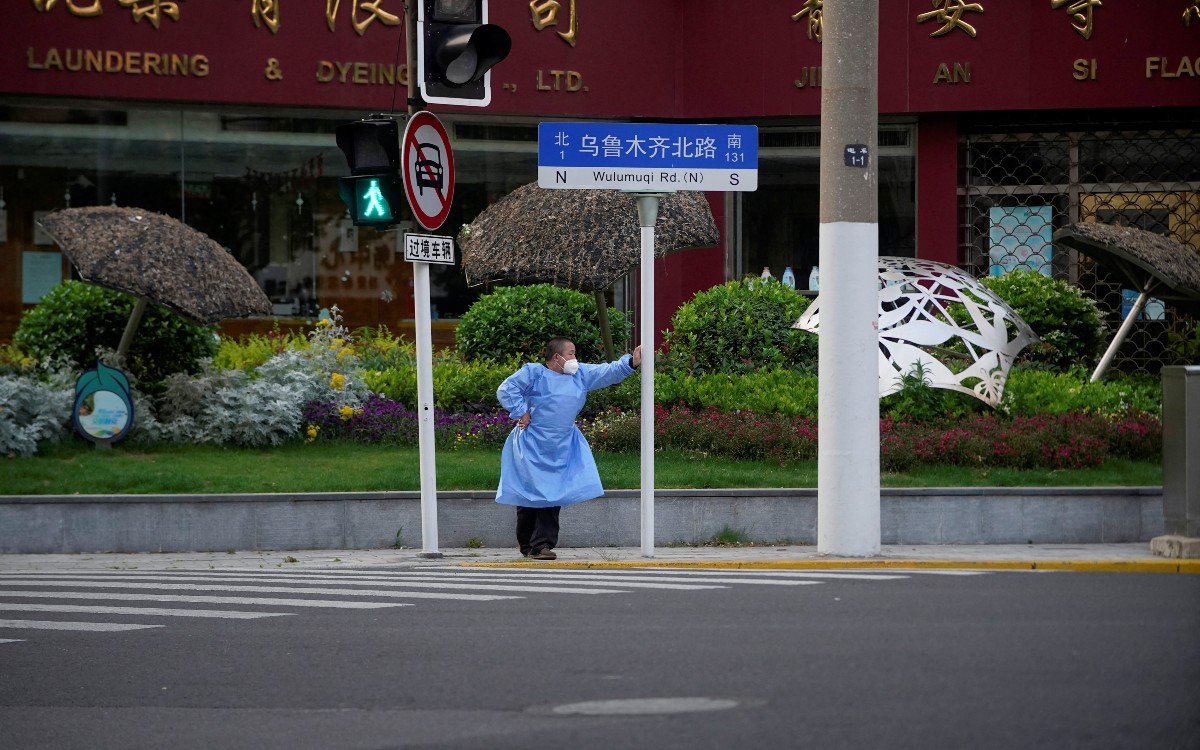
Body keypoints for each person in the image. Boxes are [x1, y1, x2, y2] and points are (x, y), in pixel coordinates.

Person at [495, 337, 642, 560]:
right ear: (557, 357)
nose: (575, 358)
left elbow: (606, 372)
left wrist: (630, 362)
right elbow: (507, 388)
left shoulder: (579, 375)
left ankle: (542, 545)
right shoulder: (534, 373)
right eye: (571, 353)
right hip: (531, 443)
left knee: (553, 494)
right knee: (529, 495)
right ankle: (527, 544)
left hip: (562, 444)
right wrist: (521, 411)